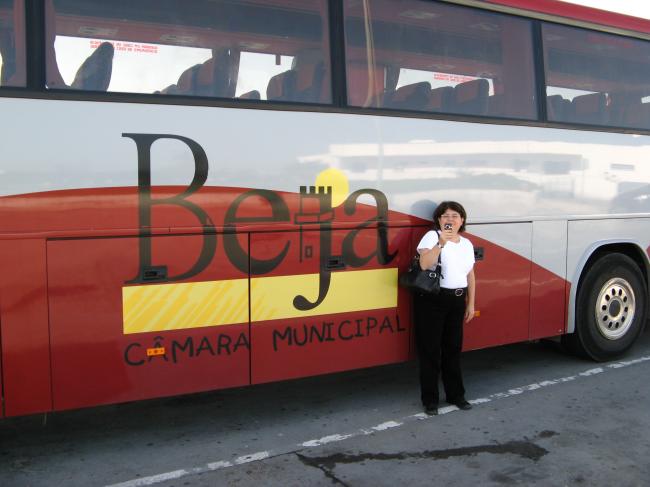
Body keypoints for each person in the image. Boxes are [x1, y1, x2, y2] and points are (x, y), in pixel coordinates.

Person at [414, 201, 476, 416]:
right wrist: (441, 243)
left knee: (453, 349)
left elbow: (470, 275)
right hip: (433, 300)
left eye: (455, 215)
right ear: (439, 220)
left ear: (462, 220)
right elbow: (424, 264)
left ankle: (456, 395)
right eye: (445, 216)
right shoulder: (432, 237)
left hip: (457, 300)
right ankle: (430, 400)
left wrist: (471, 303)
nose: (450, 219)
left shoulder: (467, 243)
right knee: (430, 351)